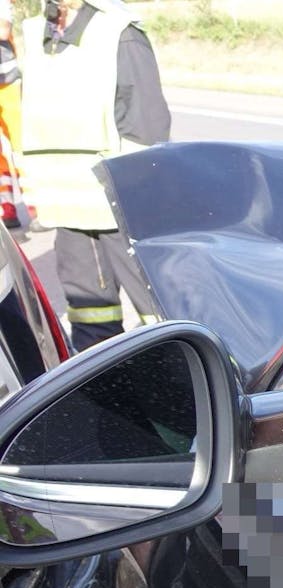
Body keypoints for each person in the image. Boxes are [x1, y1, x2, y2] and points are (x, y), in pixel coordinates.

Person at [18, 0, 170, 350]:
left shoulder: (119, 33)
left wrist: (141, 201)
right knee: (90, 320)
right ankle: (107, 397)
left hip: (123, 209)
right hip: (68, 208)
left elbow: (147, 129)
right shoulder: (36, 35)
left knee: (159, 317)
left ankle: (187, 391)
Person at [0, 2, 23, 228]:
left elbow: (3, 29)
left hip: (6, 81)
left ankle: (37, 209)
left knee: (21, 145)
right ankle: (7, 208)